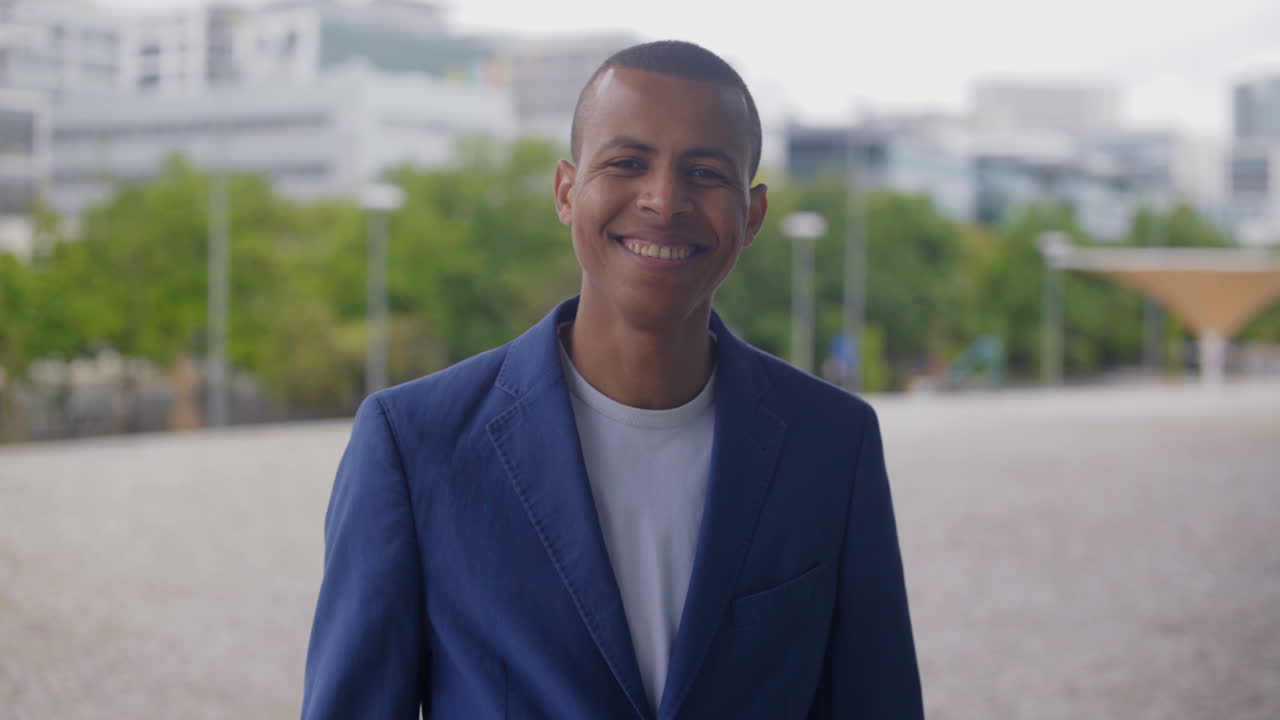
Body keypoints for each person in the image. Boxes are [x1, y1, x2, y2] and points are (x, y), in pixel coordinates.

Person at [301, 40, 923, 719]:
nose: (664, 199)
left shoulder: (833, 444)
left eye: (705, 172)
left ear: (753, 216)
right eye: (628, 163)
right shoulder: (415, 443)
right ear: (567, 192)